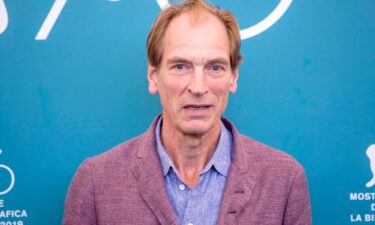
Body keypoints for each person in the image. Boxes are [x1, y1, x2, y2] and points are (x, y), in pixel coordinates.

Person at [63, 0, 312, 224]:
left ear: (233, 77)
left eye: (215, 67)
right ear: (153, 76)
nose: (198, 87)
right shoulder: (95, 182)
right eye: (181, 66)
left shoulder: (285, 182)